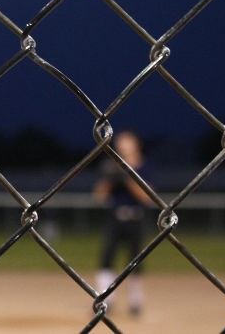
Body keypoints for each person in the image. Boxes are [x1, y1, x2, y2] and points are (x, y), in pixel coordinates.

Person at [93, 130, 153, 317]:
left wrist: (128, 177)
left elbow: (147, 197)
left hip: (135, 218)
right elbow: (99, 196)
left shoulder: (143, 168)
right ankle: (106, 300)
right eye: (120, 145)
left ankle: (135, 301)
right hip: (114, 218)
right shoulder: (112, 167)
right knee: (106, 259)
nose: (122, 148)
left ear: (136, 145)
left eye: (126, 144)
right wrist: (111, 178)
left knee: (135, 261)